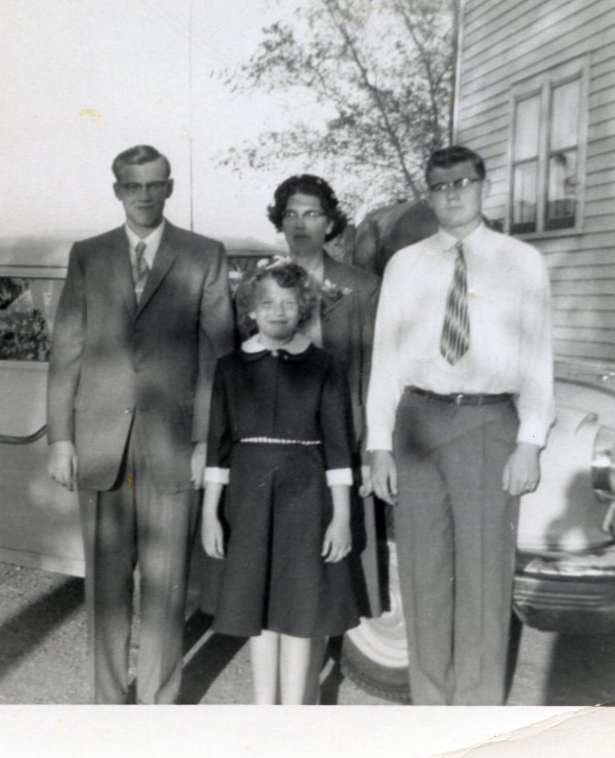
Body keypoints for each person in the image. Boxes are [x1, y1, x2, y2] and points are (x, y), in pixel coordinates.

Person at [365, 145, 555, 705]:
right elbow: (385, 360)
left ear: (484, 187)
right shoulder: (405, 265)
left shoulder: (522, 261)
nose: (452, 194)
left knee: (484, 577)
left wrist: (530, 442)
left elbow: (538, 357)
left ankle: (477, 714)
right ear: (428, 195)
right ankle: (431, 706)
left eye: (463, 183)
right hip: (418, 424)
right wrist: (379, 445)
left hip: (487, 422)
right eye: (440, 186)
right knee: (423, 573)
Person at [46, 144, 235, 704]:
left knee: (166, 586)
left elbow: (221, 358)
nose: (145, 195)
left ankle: (158, 706)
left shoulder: (203, 254)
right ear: (118, 191)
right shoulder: (89, 255)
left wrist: (206, 442)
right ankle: (107, 705)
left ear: (170, 187)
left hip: (173, 446)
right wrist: (61, 439)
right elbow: (67, 351)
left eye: (155, 184)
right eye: (133, 185)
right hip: (101, 444)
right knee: (105, 588)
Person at [200, 260, 361, 704]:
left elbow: (338, 449)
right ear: (252, 309)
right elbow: (218, 448)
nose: (277, 311)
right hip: (248, 499)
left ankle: (292, 714)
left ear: (303, 309)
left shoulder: (324, 366)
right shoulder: (231, 367)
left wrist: (341, 517)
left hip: (306, 497)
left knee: (298, 609)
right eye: (268, 303)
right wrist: (210, 513)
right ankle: (264, 712)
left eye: (288, 304)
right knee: (259, 608)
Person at [265, 175, 382, 622]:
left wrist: (371, 451)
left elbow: (373, 372)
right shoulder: (258, 287)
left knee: (336, 549)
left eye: (312, 214)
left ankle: (327, 635)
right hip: (277, 441)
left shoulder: (361, 288)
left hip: (340, 438)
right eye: (291, 214)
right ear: (280, 221)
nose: (300, 224)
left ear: (329, 223)